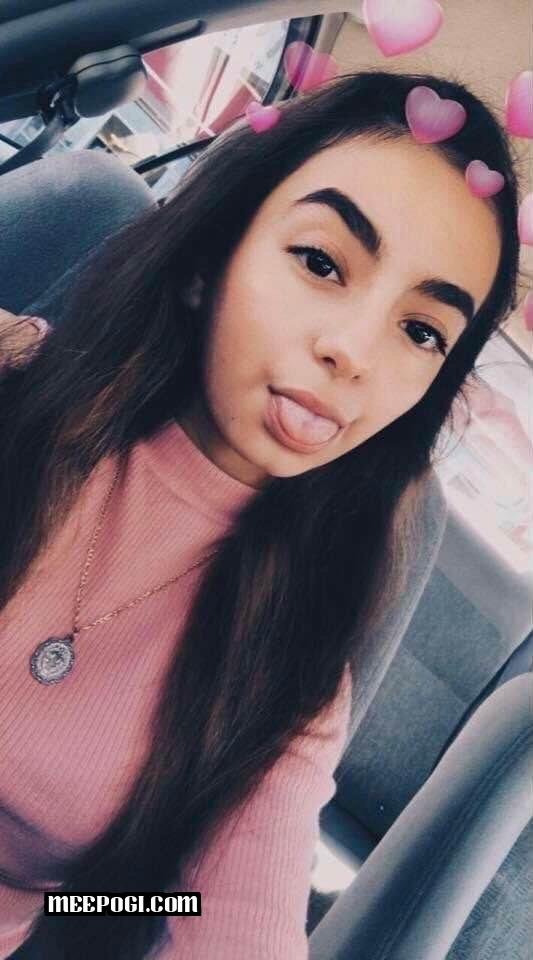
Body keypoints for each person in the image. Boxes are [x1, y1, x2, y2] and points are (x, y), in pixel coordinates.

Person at [0, 69, 520, 960]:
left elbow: (219, 921)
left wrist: (70, 908)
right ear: (211, 259)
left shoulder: (288, 667)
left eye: (421, 331)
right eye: (321, 262)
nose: (353, 352)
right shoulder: (14, 381)